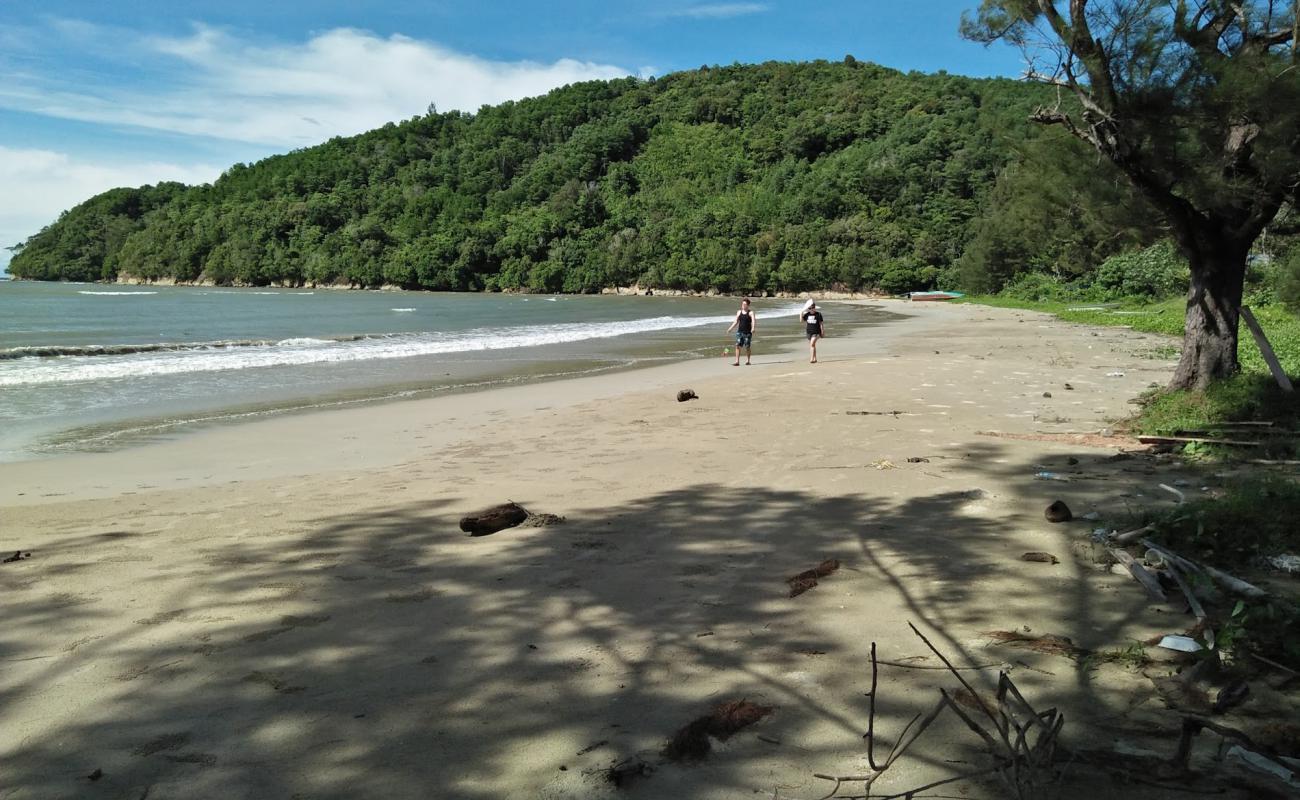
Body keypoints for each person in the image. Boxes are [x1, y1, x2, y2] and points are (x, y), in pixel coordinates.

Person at [725, 297, 756, 365]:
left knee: (747, 347)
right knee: (737, 345)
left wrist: (753, 328)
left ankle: (748, 361)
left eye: (744, 304)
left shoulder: (751, 313)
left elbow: (753, 321)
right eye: (742, 304)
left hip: (747, 333)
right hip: (739, 332)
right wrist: (730, 328)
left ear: (748, 305)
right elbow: (736, 322)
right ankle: (737, 361)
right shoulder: (739, 312)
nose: (743, 305)